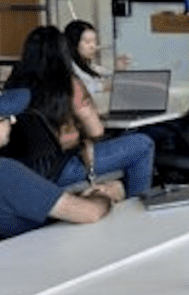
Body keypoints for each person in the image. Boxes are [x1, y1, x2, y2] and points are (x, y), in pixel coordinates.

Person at [4, 26, 154, 198]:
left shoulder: (12, 86)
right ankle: (138, 208)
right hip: (63, 168)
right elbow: (96, 131)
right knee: (142, 144)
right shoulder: (68, 85)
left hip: (23, 171)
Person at [0, 87, 123, 238]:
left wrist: (76, 198)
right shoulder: (6, 172)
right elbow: (91, 213)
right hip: (47, 251)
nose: (14, 120)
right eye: (4, 116)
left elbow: (31, 203)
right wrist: (103, 195)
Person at [64, 20, 112, 95]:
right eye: (87, 42)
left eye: (94, 41)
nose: (93, 46)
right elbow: (82, 90)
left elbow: (105, 74)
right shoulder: (69, 69)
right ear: (74, 43)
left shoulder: (89, 66)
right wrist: (103, 86)